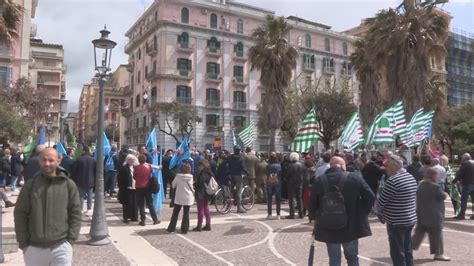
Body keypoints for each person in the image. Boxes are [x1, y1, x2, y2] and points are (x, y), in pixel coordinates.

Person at [14, 148, 81, 266]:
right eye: (44, 160)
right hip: (34, 248)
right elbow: (20, 214)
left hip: (61, 247)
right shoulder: (30, 185)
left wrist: (71, 240)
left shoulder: (68, 185)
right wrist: (24, 243)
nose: (47, 163)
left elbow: (75, 213)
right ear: (39, 161)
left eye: (51, 160)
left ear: (58, 161)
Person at [308, 156, 375, 266]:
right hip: (351, 224)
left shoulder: (320, 180)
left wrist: (313, 217)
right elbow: (370, 197)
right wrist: (362, 212)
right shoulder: (354, 178)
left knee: (334, 258)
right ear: (343, 166)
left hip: (329, 224)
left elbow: (312, 203)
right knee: (352, 257)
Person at [375, 154, 417, 266]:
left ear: (394, 166)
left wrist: (378, 211)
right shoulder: (410, 177)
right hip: (409, 218)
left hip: (396, 221)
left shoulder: (393, 181)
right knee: (407, 249)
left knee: (397, 252)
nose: (386, 168)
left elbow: (381, 202)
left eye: (387, 165)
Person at [412, 167, 450, 261]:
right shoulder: (435, 186)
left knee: (418, 234)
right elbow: (442, 197)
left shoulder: (420, 184)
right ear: (433, 175)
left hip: (421, 213)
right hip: (434, 215)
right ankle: (438, 253)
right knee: (436, 235)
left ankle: (408, 248)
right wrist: (445, 193)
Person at [167, 162, 195, 234]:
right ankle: (185, 229)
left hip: (179, 196)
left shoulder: (178, 176)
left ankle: (171, 228)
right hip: (188, 197)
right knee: (186, 213)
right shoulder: (191, 177)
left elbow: (173, 185)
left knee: (175, 213)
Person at [134, 154, 159, 226]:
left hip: (139, 187)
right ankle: (155, 219)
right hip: (147, 186)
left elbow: (134, 177)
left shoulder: (136, 168)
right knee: (150, 204)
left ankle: (143, 220)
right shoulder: (149, 167)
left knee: (141, 205)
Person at [71, 146, 96, 214]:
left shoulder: (78, 159)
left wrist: (74, 179)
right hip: (90, 180)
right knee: (90, 195)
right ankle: (89, 208)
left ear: (83, 151)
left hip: (80, 180)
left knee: (80, 196)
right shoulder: (93, 160)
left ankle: (81, 208)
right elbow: (95, 171)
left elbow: (74, 171)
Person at [225, 146, 249, 213]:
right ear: (239, 151)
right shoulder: (241, 159)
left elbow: (226, 164)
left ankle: (228, 206)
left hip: (230, 175)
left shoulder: (229, 157)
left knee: (230, 192)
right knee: (238, 192)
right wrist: (247, 173)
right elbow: (243, 168)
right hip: (238, 175)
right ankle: (239, 208)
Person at [117, 154, 139, 223]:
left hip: (135, 187)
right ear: (127, 160)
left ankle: (134, 217)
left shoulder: (135, 167)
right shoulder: (124, 168)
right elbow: (120, 178)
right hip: (126, 188)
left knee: (135, 203)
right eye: (130, 160)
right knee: (127, 203)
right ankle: (126, 217)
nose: (132, 161)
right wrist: (123, 186)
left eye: (133, 160)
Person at [284, 152, 306, 219]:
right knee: (299, 198)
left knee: (291, 199)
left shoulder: (290, 165)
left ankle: (292, 214)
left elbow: (286, 175)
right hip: (299, 183)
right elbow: (304, 174)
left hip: (291, 183)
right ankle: (301, 213)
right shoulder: (302, 165)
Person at [193, 160, 213, 231]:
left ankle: (199, 225)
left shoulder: (205, 173)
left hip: (201, 192)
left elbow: (200, 182)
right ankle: (208, 224)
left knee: (200, 209)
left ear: (203, 165)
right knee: (205, 207)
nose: (199, 167)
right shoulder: (209, 172)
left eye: (200, 166)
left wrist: (195, 184)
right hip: (206, 192)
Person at [453, 153, 474, 220]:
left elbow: (460, 173)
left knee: (464, 200)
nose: (462, 159)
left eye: (462, 157)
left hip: (467, 184)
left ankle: (462, 215)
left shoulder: (465, 164)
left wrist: (454, 181)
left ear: (465, 158)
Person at [266, 153, 282, 220]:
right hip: (277, 182)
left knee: (269, 199)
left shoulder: (268, 166)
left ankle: (269, 214)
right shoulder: (279, 166)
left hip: (269, 182)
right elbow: (281, 174)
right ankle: (278, 214)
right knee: (278, 198)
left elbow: (266, 173)